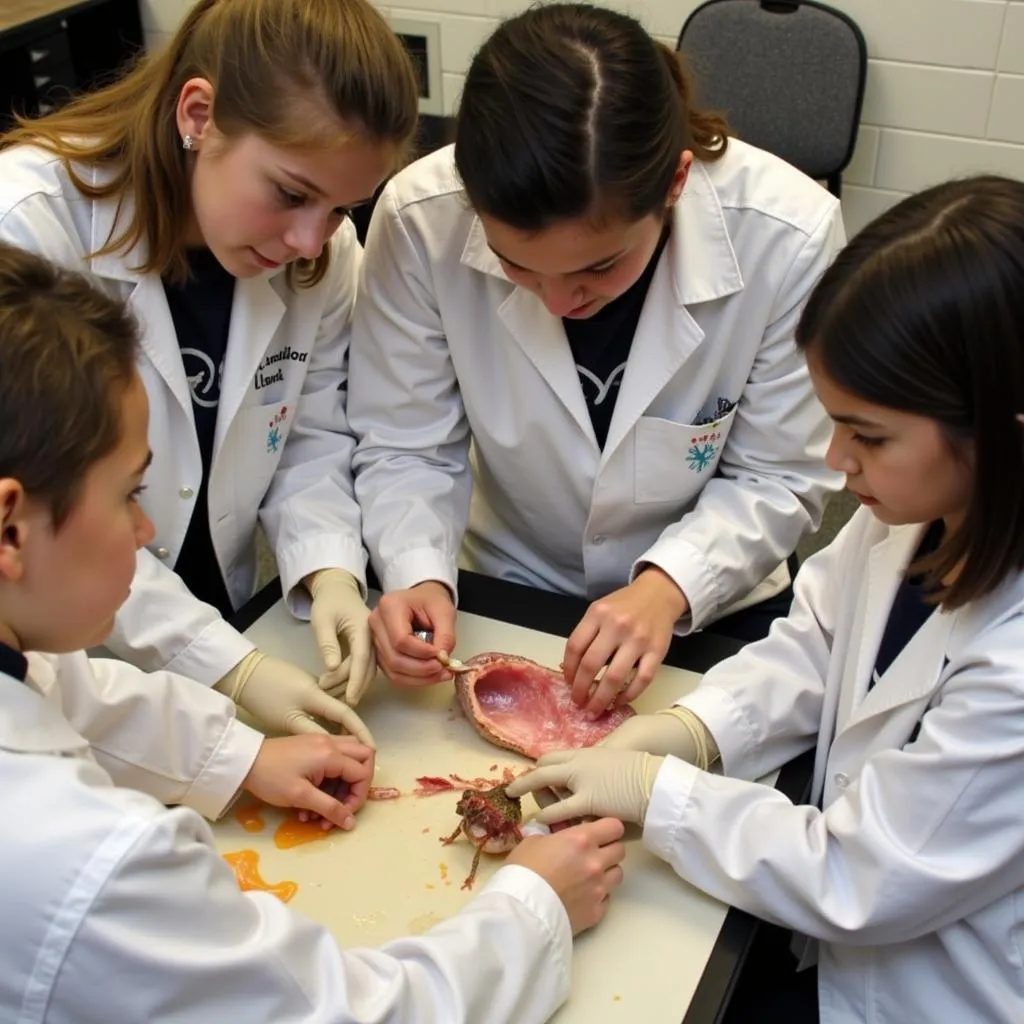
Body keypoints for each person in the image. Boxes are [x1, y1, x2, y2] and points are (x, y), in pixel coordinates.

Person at [0, 242, 627, 1022]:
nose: (147, 526)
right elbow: (349, 1013)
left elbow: (64, 695)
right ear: (10, 528)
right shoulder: (95, 867)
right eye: (129, 493)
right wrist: (535, 906)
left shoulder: (24, 679)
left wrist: (241, 753)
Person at [506, 175, 1024, 1023]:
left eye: (870, 434)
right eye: (835, 421)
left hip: (936, 995)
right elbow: (815, 645)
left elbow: (861, 875)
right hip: (824, 946)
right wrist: (692, 732)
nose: (834, 458)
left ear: (1003, 433)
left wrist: (657, 793)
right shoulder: (918, 511)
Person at [349, 3, 844, 716]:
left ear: (675, 183)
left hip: (712, 597)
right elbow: (407, 443)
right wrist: (417, 572)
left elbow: (778, 475)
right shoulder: (420, 218)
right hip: (508, 580)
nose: (558, 302)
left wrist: (667, 585)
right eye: (515, 265)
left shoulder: (788, 237)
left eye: (599, 268)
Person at [0, 0, 418, 735]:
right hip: (68, 665)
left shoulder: (320, 258)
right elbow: (42, 516)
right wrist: (233, 667)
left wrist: (329, 573)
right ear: (198, 114)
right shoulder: (28, 225)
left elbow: (311, 434)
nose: (307, 240)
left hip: (234, 616)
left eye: (341, 208)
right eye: (291, 194)